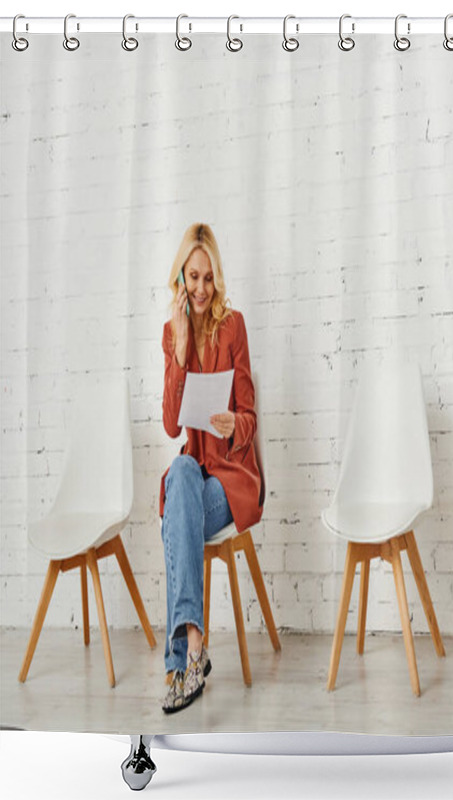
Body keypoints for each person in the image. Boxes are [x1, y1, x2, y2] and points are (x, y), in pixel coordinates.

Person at [159, 223, 262, 713]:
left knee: (178, 520)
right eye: (192, 277)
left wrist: (231, 425)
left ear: (216, 279)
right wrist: (180, 350)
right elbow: (169, 426)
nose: (200, 289)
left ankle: (178, 664)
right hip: (194, 474)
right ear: (181, 278)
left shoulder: (233, 325)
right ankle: (194, 645)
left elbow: (250, 415)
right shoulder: (170, 334)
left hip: (229, 479)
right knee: (178, 476)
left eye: (208, 278)